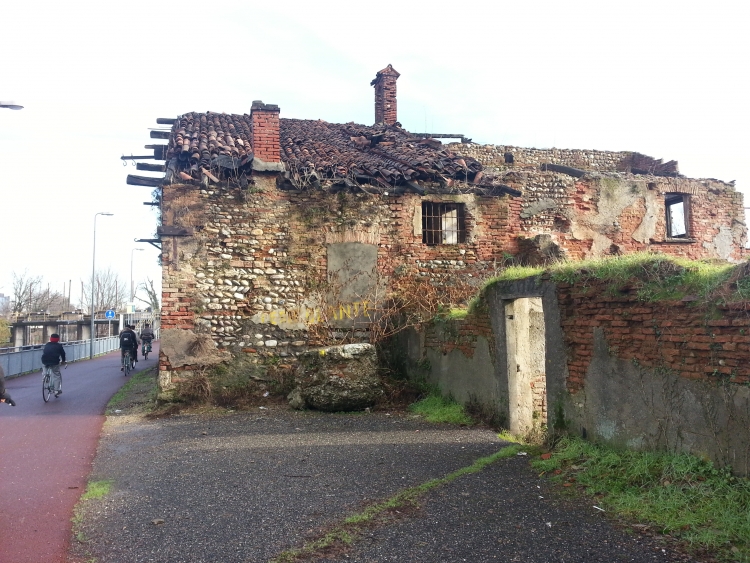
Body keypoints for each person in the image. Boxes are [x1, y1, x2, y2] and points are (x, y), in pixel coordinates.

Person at [41, 333, 66, 397]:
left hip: (44, 360)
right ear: (58, 339)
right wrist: (63, 361)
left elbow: (45, 352)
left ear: (50, 339)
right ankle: (56, 390)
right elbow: (63, 354)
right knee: (56, 374)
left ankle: (45, 377)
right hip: (54, 361)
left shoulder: (47, 344)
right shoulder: (59, 346)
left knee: (45, 367)